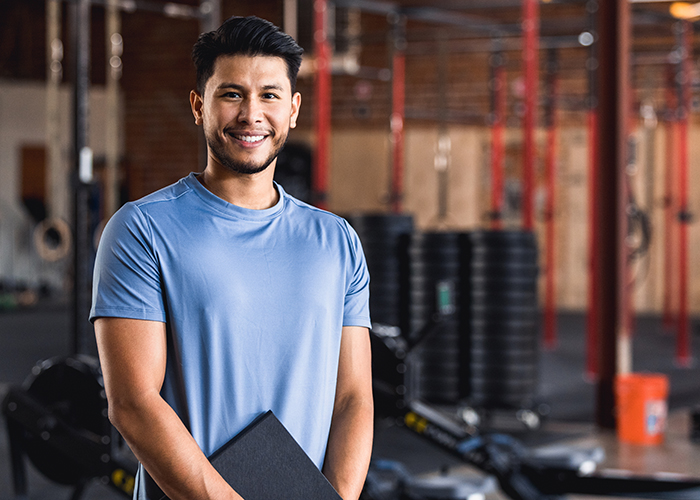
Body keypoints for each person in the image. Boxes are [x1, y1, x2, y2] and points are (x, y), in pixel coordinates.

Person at [90, 16, 373, 500]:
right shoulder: (141, 230)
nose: (251, 115)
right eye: (232, 94)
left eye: (269, 95)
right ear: (200, 106)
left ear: (294, 109)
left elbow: (352, 399)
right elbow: (133, 403)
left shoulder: (337, 242)